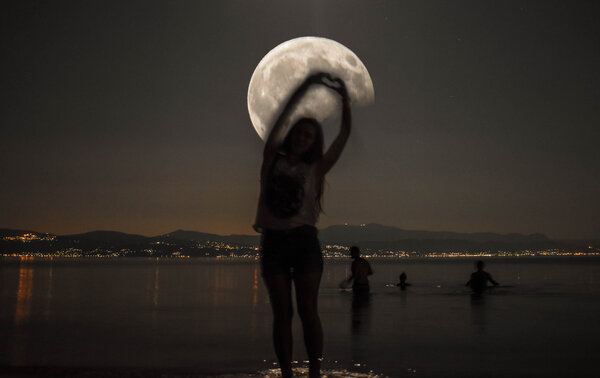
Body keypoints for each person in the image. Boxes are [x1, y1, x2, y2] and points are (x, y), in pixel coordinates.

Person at [254, 72, 351, 378]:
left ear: (313, 142)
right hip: (273, 243)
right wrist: (305, 86)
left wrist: (345, 100)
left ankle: (314, 373)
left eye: (309, 136)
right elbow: (281, 117)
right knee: (282, 313)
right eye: (299, 132)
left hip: (304, 242)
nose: (302, 138)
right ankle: (285, 374)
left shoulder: (316, 168)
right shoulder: (272, 157)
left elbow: (344, 135)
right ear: (292, 134)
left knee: (308, 310)